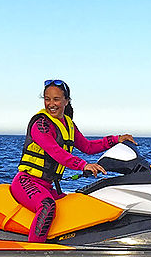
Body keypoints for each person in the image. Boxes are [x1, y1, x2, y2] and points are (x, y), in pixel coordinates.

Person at [11, 79, 134, 243]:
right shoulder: (40, 124)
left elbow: (88, 146)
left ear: (66, 101)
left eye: (56, 99)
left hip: (46, 185)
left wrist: (116, 139)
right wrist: (83, 165)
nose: (51, 104)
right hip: (27, 182)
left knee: (73, 205)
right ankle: (33, 254)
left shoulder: (68, 124)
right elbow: (56, 152)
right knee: (47, 206)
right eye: (47, 99)